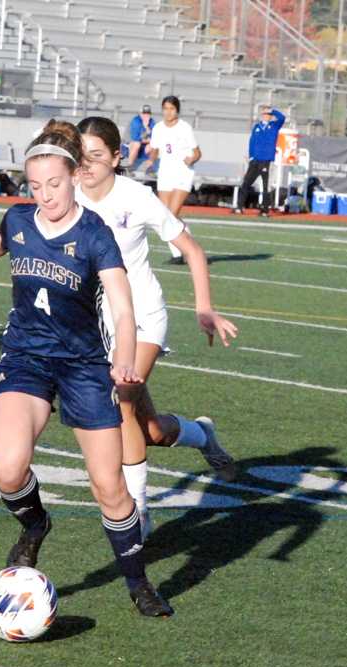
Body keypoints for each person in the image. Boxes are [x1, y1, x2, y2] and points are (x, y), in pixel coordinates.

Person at [0, 121, 173, 617]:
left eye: (55, 184)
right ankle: (35, 523)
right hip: (26, 357)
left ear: (74, 177)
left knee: (110, 489)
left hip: (86, 365)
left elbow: (123, 308)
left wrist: (125, 360)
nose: (46, 195)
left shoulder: (94, 234)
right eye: (36, 186)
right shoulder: (19, 220)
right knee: (6, 469)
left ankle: (138, 583)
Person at [75, 116, 239, 539]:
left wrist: (204, 308)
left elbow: (193, 250)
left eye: (96, 155)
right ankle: (202, 434)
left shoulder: (137, 197)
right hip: (99, 325)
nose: (87, 164)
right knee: (149, 432)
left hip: (144, 316)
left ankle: (138, 513)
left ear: (116, 157)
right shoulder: (66, 195)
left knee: (120, 402)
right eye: (80, 156)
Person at [146, 96, 200, 265]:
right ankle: (185, 251)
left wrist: (191, 159)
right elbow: (155, 150)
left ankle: (181, 254)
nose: (168, 112)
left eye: (171, 108)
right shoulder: (158, 128)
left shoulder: (185, 128)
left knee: (172, 214)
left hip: (183, 173)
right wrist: (151, 159)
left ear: (177, 110)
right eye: (165, 108)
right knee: (166, 216)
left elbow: (197, 153)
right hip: (165, 174)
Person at [233, 105, 285, 218]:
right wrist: (251, 156)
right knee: (246, 183)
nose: (266, 116)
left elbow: (282, 118)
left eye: (268, 115)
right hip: (255, 160)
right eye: (265, 114)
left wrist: (273, 111)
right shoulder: (257, 127)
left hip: (265, 160)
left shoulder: (274, 126)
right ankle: (239, 207)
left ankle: (265, 210)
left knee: (266, 186)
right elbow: (252, 142)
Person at [125, 104, 154, 169]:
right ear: (140, 114)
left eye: (148, 113)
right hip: (129, 144)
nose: (146, 115)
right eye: (144, 113)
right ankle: (129, 167)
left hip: (143, 144)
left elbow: (154, 137)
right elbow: (135, 139)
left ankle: (149, 169)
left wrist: (147, 127)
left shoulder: (151, 122)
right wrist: (147, 134)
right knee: (137, 144)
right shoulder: (136, 121)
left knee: (153, 146)